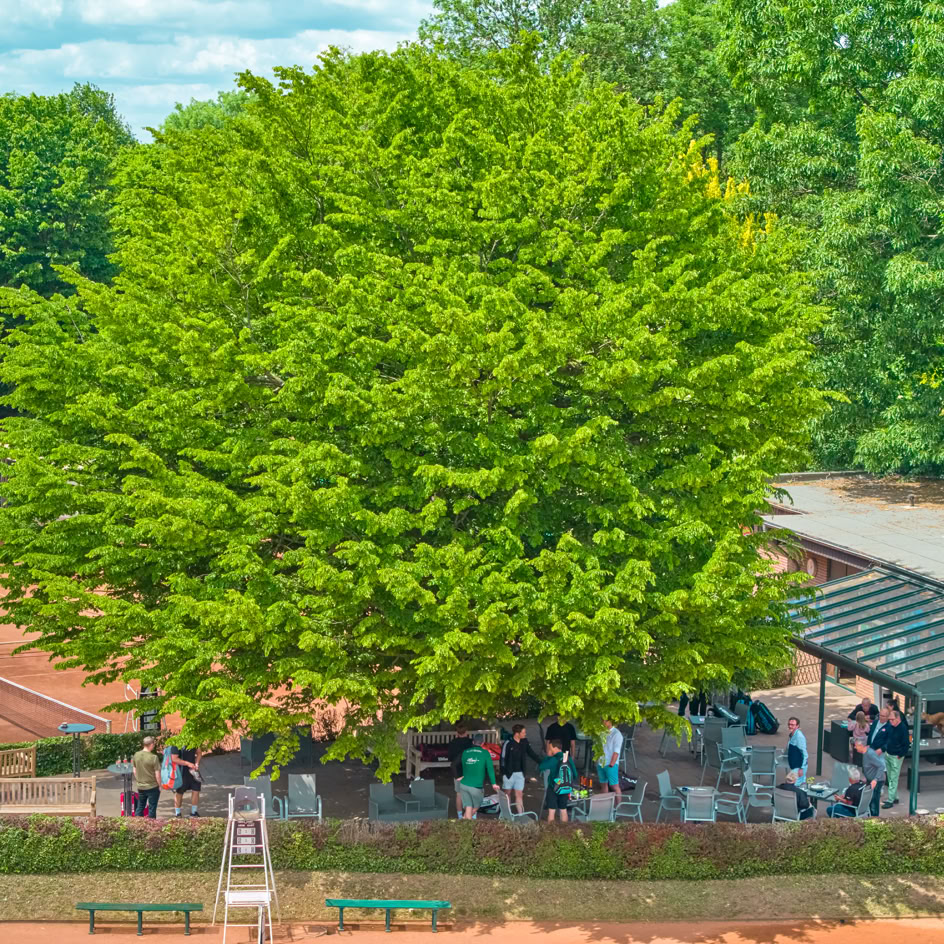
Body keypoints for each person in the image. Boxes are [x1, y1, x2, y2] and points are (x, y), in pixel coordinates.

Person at [500, 723, 542, 815]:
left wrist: (541, 762)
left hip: (520, 773)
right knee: (507, 793)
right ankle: (507, 813)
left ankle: (520, 814)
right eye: (523, 732)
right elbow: (502, 758)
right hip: (508, 773)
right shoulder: (508, 743)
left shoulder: (524, 742)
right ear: (517, 733)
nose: (525, 734)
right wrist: (503, 772)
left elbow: (531, 753)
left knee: (519, 794)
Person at [458, 736, 499, 820]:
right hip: (476, 787)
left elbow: (463, 766)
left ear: (473, 742)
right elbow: (490, 769)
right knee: (476, 806)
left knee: (468, 806)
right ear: (482, 743)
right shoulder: (485, 753)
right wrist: (493, 783)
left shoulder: (465, 752)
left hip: (464, 784)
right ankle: (465, 821)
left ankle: (465, 822)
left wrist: (463, 775)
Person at [539, 739, 578, 822]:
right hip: (565, 787)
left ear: (555, 748)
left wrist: (548, 757)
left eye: (550, 748)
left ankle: (551, 829)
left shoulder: (553, 759)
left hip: (553, 787)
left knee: (551, 811)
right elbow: (575, 774)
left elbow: (541, 767)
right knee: (563, 810)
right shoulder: (568, 758)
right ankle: (564, 828)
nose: (549, 750)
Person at [882, 708, 909, 809]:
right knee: (890, 777)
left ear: (898, 719)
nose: (890, 721)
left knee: (893, 778)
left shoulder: (903, 729)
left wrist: (900, 755)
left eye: (892, 719)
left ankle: (890, 800)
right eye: (889, 719)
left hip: (896, 756)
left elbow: (906, 744)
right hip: (888, 754)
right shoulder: (890, 726)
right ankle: (894, 797)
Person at [448, 723, 473, 819]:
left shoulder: (453, 742)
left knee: (459, 794)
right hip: (469, 770)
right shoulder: (470, 743)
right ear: (466, 732)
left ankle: (459, 815)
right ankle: (469, 813)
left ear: (457, 733)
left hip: (457, 770)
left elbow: (450, 757)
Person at [854, 740, 886, 816]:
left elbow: (881, 766)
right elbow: (869, 767)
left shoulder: (869, 754)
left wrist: (875, 780)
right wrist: (867, 777)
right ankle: (871, 816)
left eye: (856, 745)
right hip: (870, 780)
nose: (855, 747)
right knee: (870, 800)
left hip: (876, 781)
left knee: (874, 801)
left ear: (861, 746)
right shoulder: (865, 753)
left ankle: (874, 817)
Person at [132, 735, 161, 819]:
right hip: (152, 786)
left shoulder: (136, 755)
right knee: (152, 809)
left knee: (140, 806)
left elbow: (134, 770)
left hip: (140, 786)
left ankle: (137, 823)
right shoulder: (154, 757)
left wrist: (139, 780)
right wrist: (160, 785)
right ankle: (151, 825)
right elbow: (157, 775)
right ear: (151, 744)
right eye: (154, 744)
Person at [170, 744, 202, 817]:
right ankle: (178, 813)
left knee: (196, 790)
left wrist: (197, 763)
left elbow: (199, 752)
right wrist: (188, 764)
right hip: (180, 771)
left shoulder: (193, 741)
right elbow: (174, 759)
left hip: (193, 770)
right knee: (179, 792)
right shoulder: (176, 743)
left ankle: (194, 812)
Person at [596, 720, 624, 802]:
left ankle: (618, 806)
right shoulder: (602, 732)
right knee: (603, 785)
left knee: (614, 786)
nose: (603, 722)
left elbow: (616, 751)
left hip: (610, 764)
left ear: (611, 721)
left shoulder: (617, 734)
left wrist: (611, 764)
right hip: (601, 763)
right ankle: (605, 805)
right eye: (603, 720)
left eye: (606, 720)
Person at [786, 717, 808, 782]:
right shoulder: (792, 735)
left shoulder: (799, 737)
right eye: (789, 724)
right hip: (794, 765)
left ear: (797, 726)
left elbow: (804, 753)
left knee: (793, 784)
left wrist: (801, 768)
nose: (790, 726)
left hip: (798, 767)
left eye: (792, 725)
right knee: (791, 783)